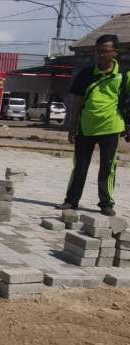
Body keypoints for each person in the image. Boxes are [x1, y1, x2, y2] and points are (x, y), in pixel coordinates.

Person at [57, 34, 129, 217]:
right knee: (80, 166)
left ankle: (106, 203)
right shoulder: (86, 74)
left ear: (115, 52)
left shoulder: (123, 76)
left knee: (108, 167)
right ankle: (71, 201)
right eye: (98, 52)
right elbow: (77, 102)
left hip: (111, 128)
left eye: (105, 52)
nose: (101, 55)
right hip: (85, 127)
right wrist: (72, 127)